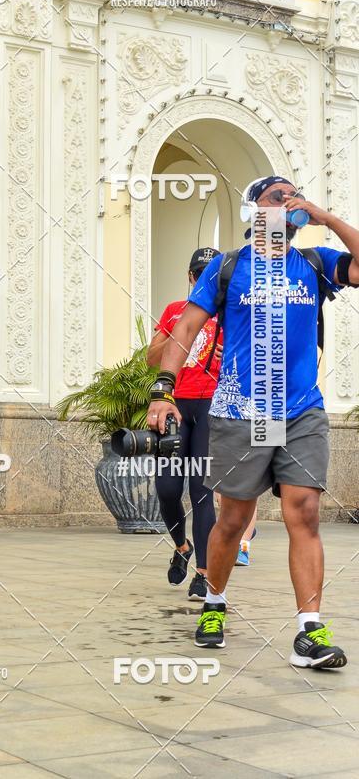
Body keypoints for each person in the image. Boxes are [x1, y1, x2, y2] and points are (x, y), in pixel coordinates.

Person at [146, 176, 359, 669]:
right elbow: (188, 326)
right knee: (234, 519)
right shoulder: (228, 269)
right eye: (275, 197)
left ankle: (309, 632)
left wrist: (325, 219)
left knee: (303, 513)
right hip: (243, 412)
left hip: (302, 410)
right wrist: (163, 390)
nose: (289, 202)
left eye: (293, 195)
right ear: (253, 211)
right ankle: (215, 605)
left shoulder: (314, 263)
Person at [147, 248, 222, 601]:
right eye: (199, 272)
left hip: (211, 407)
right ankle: (182, 545)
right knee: (166, 488)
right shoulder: (176, 310)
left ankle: (204, 573)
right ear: (190, 276)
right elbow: (151, 359)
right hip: (174, 406)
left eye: (211, 272)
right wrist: (173, 331)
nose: (203, 277)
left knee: (201, 490)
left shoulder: (230, 310)